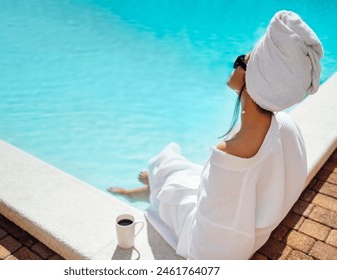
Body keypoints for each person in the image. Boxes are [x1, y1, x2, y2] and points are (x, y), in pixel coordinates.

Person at [108, 10, 323, 259]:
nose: (235, 64)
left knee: (170, 177)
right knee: (180, 173)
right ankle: (154, 185)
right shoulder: (285, 125)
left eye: (242, 60)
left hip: (210, 232)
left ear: (255, 78)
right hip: (245, 221)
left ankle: (146, 191)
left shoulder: (231, 156)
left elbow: (210, 252)